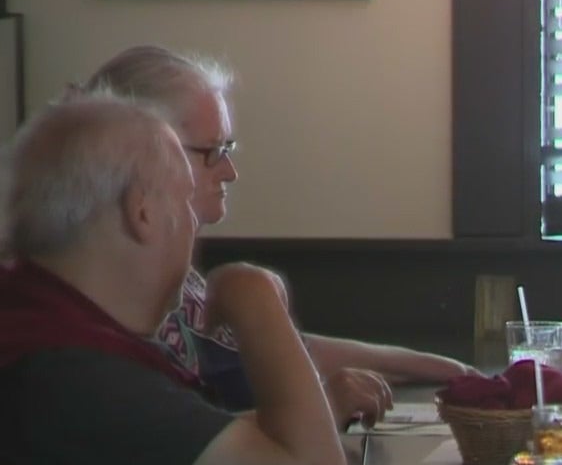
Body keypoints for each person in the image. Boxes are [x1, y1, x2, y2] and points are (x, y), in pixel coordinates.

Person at [0, 94, 352, 465]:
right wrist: (256, 301)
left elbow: (173, 442)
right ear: (142, 212)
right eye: (186, 200)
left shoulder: (51, 335)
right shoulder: (64, 372)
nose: (193, 227)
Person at [75, 45, 478, 425]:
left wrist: (446, 369)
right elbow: (166, 442)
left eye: (228, 148)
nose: (230, 172)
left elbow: (284, 351)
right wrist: (320, 410)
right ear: (145, 154)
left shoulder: (172, 273)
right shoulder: (115, 296)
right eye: (213, 151)